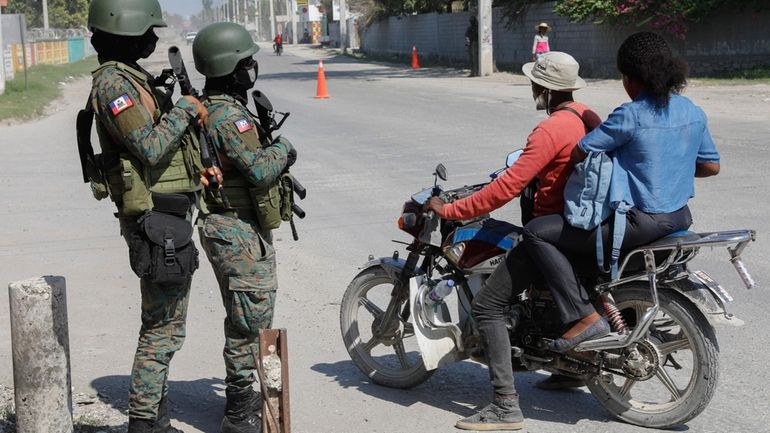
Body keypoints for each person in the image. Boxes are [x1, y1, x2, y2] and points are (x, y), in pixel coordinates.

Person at [426, 51, 601, 431]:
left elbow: (507, 187)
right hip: (581, 226)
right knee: (541, 294)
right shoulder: (586, 116)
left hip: (551, 228)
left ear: (545, 88)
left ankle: (505, 406)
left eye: (534, 83)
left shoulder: (550, 129)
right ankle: (571, 370)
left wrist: (453, 211)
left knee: (489, 306)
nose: (532, 88)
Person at [523, 31, 721, 353]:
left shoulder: (629, 115)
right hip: (679, 217)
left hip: (639, 223)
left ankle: (583, 319)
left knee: (537, 233)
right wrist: (670, 165)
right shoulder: (692, 111)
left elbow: (580, 151)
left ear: (629, 78)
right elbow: (711, 166)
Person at [85, 1, 214, 432]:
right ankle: (144, 422)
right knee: (162, 327)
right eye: (147, 31)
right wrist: (185, 108)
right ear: (124, 32)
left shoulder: (129, 78)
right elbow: (150, 147)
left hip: (168, 214)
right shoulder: (112, 87)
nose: (154, 39)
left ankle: (151, 416)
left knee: (166, 324)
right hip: (154, 219)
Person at [192, 22, 298, 433]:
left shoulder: (213, 107)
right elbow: (258, 169)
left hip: (232, 227)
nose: (251, 67)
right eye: (245, 62)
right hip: (235, 230)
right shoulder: (227, 117)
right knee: (248, 324)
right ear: (229, 67)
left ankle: (241, 399)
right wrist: (284, 150)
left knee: (244, 317)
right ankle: (240, 412)